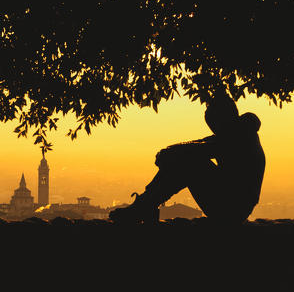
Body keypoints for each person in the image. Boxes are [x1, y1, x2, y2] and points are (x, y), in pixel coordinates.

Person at [109, 91, 265, 224]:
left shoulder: (239, 136)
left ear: (223, 117)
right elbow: (200, 143)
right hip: (229, 203)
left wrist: (170, 153)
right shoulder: (233, 132)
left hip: (232, 208)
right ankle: (145, 205)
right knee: (187, 160)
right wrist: (171, 151)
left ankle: (143, 206)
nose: (212, 127)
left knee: (190, 163)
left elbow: (201, 149)